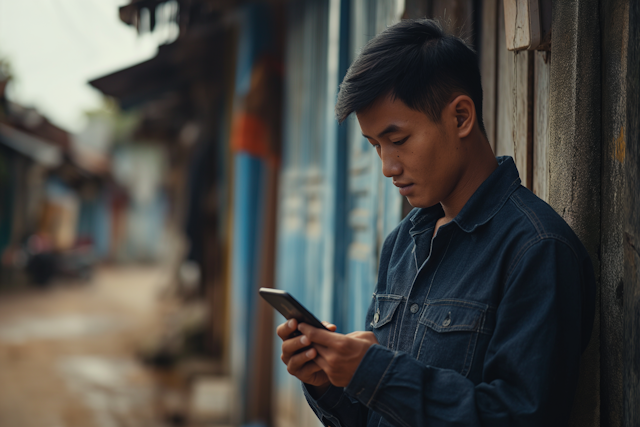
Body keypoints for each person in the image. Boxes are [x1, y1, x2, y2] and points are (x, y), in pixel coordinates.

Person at [276, 18, 595, 427]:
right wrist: (327, 383)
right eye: (375, 146)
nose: (387, 167)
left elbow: (517, 416)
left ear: (460, 117)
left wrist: (375, 372)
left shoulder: (537, 250)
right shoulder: (401, 245)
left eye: (399, 140)